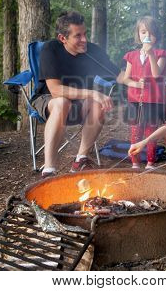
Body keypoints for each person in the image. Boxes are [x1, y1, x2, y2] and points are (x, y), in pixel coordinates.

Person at [31, 11, 121, 177]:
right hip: (49, 100)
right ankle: (49, 169)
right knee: (62, 102)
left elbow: (119, 75)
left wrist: (141, 79)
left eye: (85, 34)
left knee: (98, 104)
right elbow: (55, 90)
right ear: (62, 38)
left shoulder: (93, 51)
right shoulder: (51, 49)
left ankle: (80, 160)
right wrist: (92, 93)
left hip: (80, 103)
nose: (84, 40)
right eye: (78, 36)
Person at [118, 16, 166, 170]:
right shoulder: (131, 56)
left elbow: (156, 75)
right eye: (143, 32)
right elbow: (125, 79)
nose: (147, 36)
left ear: (156, 36)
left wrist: (151, 54)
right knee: (135, 131)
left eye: (151, 33)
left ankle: (150, 163)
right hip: (135, 99)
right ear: (138, 35)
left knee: (150, 131)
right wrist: (135, 84)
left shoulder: (162, 54)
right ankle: (135, 162)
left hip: (154, 100)